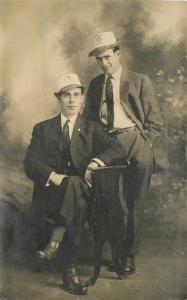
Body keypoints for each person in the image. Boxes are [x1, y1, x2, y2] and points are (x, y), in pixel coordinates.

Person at [24, 73, 124, 295]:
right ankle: (69, 271)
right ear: (58, 98)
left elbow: (118, 149)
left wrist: (96, 161)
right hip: (52, 195)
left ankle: (55, 244)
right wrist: (52, 175)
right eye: (66, 95)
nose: (71, 100)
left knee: (76, 186)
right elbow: (30, 163)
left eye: (76, 95)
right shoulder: (43, 129)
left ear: (82, 98)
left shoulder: (92, 129)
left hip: (86, 194)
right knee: (73, 189)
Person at [83, 32, 168, 275]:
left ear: (118, 54)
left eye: (108, 57)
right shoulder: (96, 84)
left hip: (136, 140)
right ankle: (118, 252)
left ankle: (129, 255)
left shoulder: (140, 80)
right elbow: (90, 122)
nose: (104, 63)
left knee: (135, 202)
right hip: (109, 144)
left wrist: (145, 144)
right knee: (114, 202)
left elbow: (155, 121)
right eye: (99, 59)